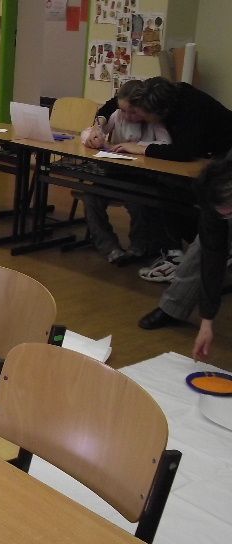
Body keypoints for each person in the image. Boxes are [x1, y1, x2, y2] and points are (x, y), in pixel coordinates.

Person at [99, 77, 232, 281]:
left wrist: (141, 148)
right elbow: (114, 103)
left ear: (160, 113)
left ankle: (198, 254)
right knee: (163, 187)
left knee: (190, 196)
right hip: (209, 153)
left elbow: (183, 152)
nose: (136, 117)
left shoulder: (189, 109)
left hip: (224, 150)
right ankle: (175, 252)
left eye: (140, 113)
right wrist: (100, 121)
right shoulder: (152, 90)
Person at [138, 157, 232, 363]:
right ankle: (174, 307)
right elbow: (213, 257)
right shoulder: (216, 198)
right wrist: (207, 321)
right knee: (202, 249)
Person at [80, 79, 172, 264]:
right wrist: (92, 137)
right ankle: (109, 247)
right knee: (91, 197)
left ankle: (139, 246)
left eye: (133, 112)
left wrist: (137, 146)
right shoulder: (117, 116)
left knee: (137, 202)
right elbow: (91, 131)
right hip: (114, 172)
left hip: (140, 177)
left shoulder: (152, 121)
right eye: (123, 110)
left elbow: (166, 143)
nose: (127, 116)